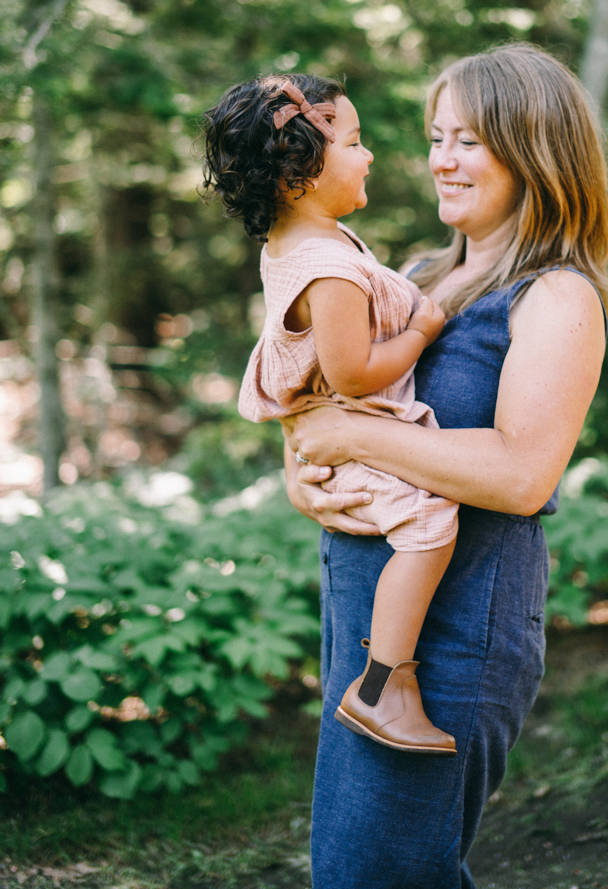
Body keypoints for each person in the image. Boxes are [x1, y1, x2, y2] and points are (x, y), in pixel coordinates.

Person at [283, 42, 608, 889]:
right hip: (362, 628)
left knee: (383, 871)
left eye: (468, 140)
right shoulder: (415, 278)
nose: (440, 160)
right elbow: (334, 409)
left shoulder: (556, 295)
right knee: (359, 869)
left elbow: (520, 475)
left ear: (533, 147)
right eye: (436, 136)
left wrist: (348, 439)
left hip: (458, 639)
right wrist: (307, 472)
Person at [202, 73, 460, 756]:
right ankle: (384, 685)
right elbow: (352, 372)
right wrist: (421, 334)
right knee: (431, 523)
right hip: (355, 440)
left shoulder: (308, 244)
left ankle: (386, 681)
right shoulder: (329, 270)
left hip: (345, 433)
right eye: (351, 141)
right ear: (297, 177)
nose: (368, 153)